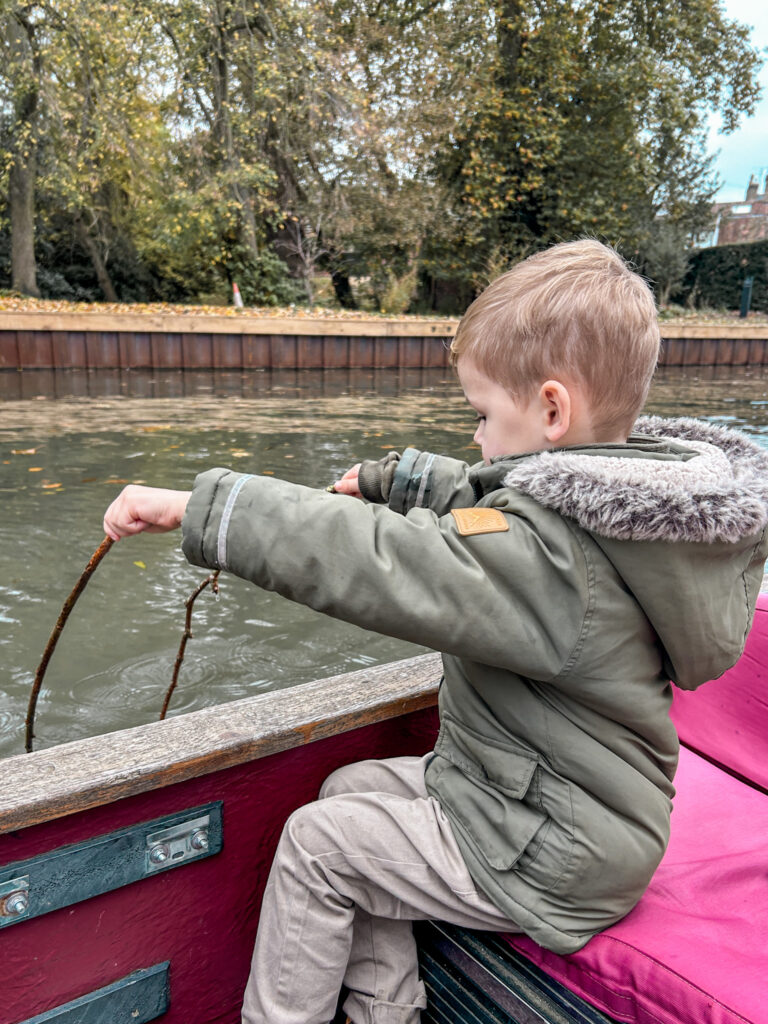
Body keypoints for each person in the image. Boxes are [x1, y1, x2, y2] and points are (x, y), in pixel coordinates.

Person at [103, 240, 768, 1024]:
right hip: (559, 810)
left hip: (555, 852)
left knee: (321, 846)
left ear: (553, 411)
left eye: (484, 417)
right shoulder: (615, 511)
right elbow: (504, 493)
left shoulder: (554, 567)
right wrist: (396, 479)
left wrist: (200, 508)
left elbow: (383, 560)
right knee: (347, 792)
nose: (478, 440)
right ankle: (388, 1011)